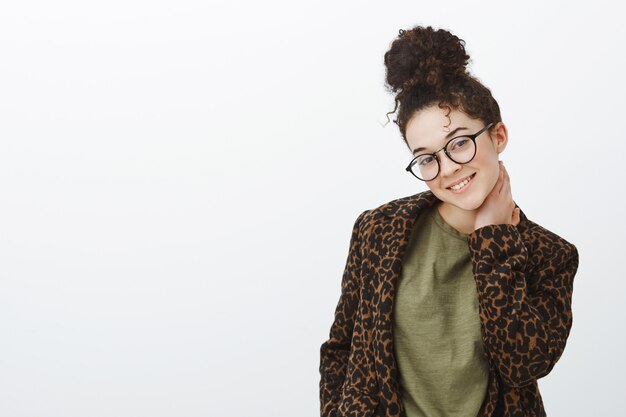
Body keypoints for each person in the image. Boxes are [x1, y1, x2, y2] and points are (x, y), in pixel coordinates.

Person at [318, 25, 580, 417]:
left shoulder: (550, 255)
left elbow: (522, 365)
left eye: (459, 142)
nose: (448, 168)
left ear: (499, 136)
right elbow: (341, 349)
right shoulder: (379, 230)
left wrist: (493, 239)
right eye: (427, 157)